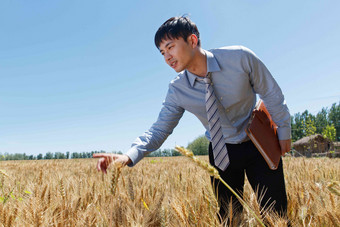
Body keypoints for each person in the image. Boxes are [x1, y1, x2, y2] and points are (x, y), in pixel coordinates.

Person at [93, 16, 291, 222]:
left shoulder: (240, 58)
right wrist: (128, 156)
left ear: (193, 41)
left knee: (276, 216)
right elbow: (160, 129)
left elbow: (271, 93)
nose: (167, 57)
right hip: (221, 152)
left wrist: (284, 131)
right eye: (162, 52)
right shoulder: (177, 89)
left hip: (259, 144)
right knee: (230, 219)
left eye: (170, 47)